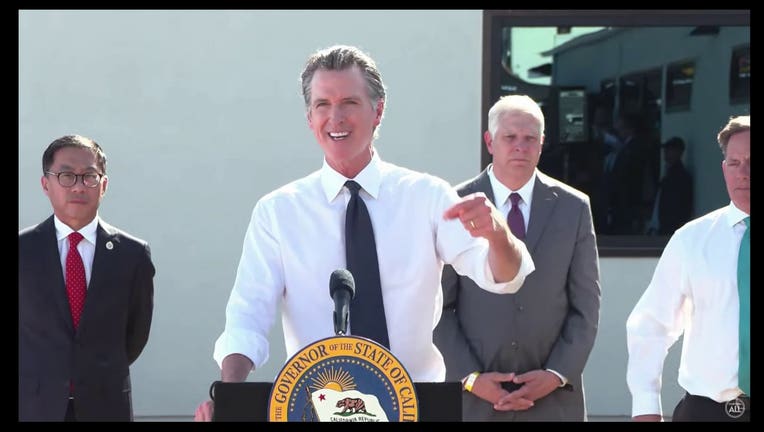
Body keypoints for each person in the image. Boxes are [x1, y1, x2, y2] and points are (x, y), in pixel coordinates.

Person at [193, 45, 534, 421]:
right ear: (309, 117)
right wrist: (231, 397)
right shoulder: (278, 212)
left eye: (349, 102)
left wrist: (498, 236)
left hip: (418, 405)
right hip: (314, 408)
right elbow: (247, 316)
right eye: (322, 104)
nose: (335, 117)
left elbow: (505, 278)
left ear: (378, 111)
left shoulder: (427, 196)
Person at [434, 94, 601, 421]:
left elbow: (586, 306)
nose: (520, 147)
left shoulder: (574, 208)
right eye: (510, 137)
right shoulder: (456, 205)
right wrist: (470, 378)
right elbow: (438, 306)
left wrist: (556, 374)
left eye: (530, 139)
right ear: (490, 141)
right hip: (473, 401)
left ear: (542, 144)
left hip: (552, 401)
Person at [19, 135, 155, 421]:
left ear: (103, 185)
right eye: (66, 175)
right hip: (34, 406)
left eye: (90, 176)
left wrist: (94, 370)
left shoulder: (132, 255)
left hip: (106, 405)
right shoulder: (24, 250)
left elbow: (135, 335)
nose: (79, 185)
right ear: (46, 185)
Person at [626, 115, 750, 422]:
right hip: (709, 410)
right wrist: (645, 406)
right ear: (724, 170)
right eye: (734, 163)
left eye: (751, 161)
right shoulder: (692, 239)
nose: (743, 173)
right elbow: (651, 324)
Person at [646, 136, 693, 236]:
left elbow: (683, 205)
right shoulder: (667, 173)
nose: (666, 153)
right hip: (662, 226)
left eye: (670, 150)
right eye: (666, 150)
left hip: (670, 227)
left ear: (679, 152)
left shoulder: (681, 176)